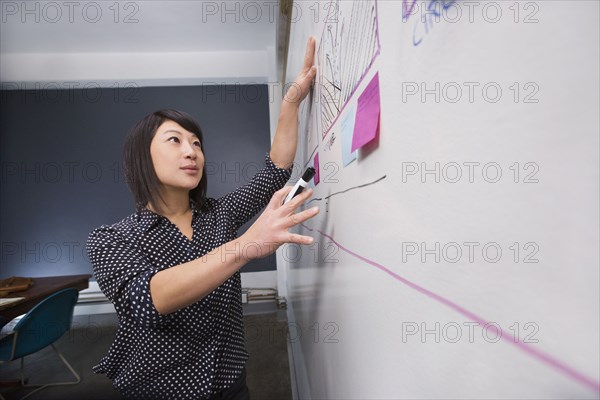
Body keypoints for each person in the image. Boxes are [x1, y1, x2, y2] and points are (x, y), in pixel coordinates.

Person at [86, 37, 319, 400]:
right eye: (175, 141)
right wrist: (242, 247)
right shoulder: (109, 239)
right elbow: (148, 301)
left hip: (230, 381)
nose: (191, 151)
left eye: (197, 143)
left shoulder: (219, 214)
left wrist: (291, 101)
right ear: (142, 158)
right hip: (161, 390)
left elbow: (275, 170)